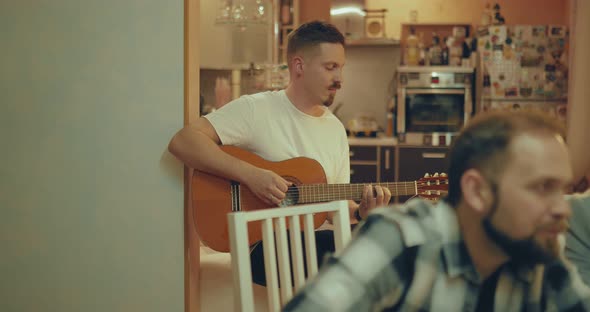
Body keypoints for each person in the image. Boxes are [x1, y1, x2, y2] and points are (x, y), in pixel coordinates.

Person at [283, 111, 590, 312]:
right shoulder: (401, 241)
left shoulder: (539, 256)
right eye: (541, 188)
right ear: (476, 191)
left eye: (563, 189)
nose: (563, 208)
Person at [168, 21, 391, 285]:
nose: (339, 79)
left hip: (307, 242)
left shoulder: (335, 130)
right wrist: (252, 176)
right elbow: (183, 142)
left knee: (374, 240)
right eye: (330, 67)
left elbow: (333, 209)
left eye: (341, 68)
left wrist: (362, 212)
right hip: (259, 244)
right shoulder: (257, 109)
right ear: (299, 66)